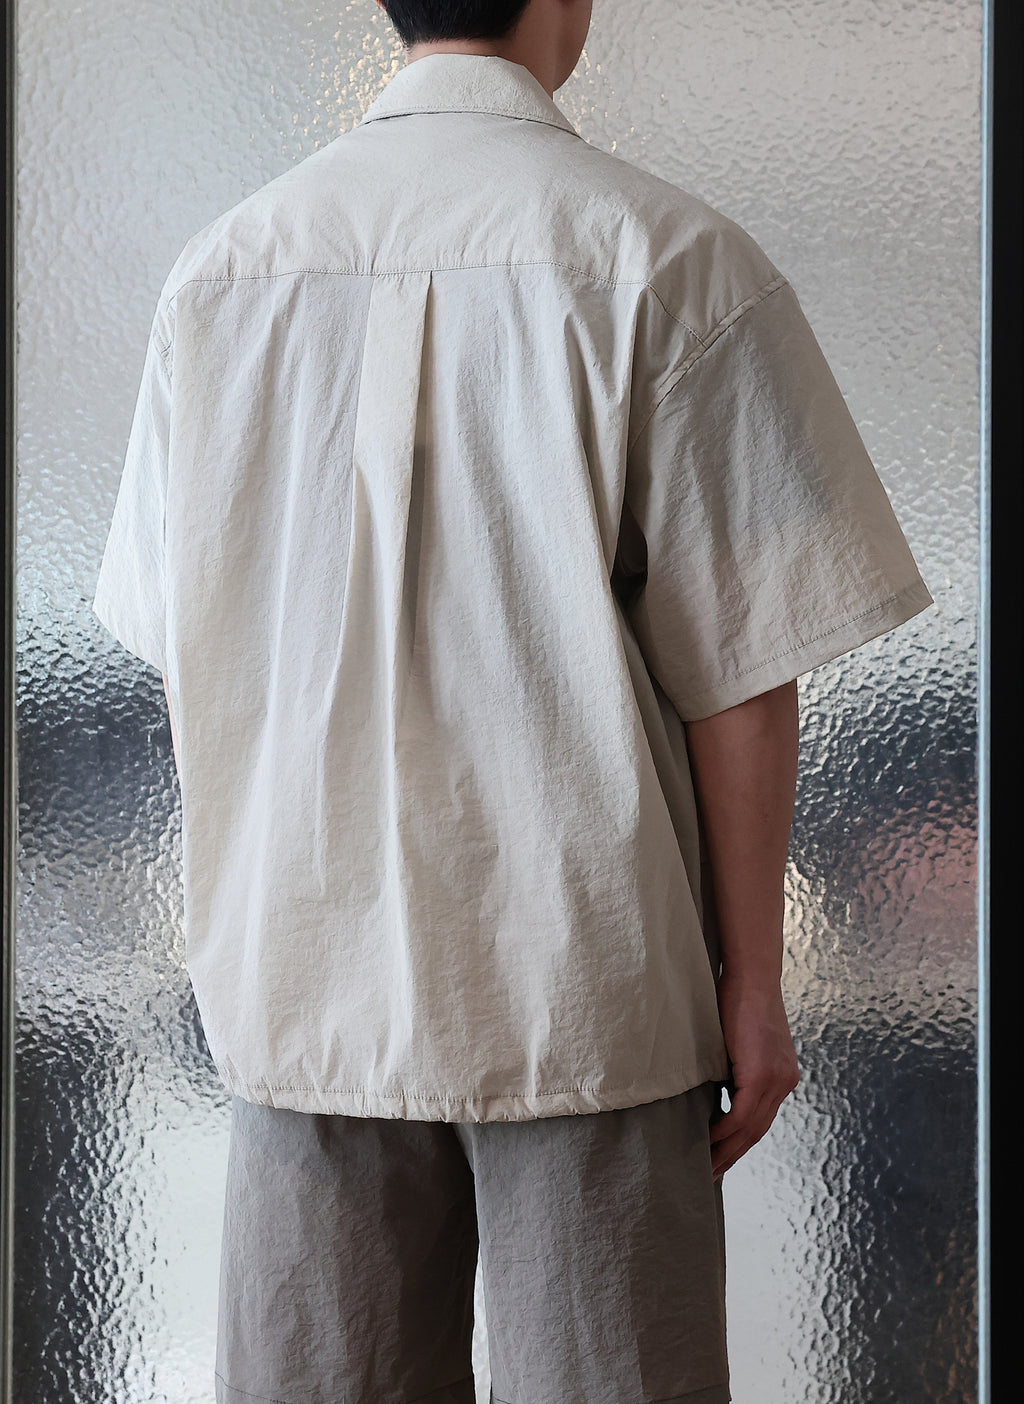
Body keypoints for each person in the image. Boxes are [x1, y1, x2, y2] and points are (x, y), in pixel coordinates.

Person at [91, 2, 933, 1400]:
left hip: (306, 982)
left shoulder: (224, 272)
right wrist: (754, 985)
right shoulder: (667, 258)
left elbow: (187, 640)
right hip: (591, 979)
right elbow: (741, 677)